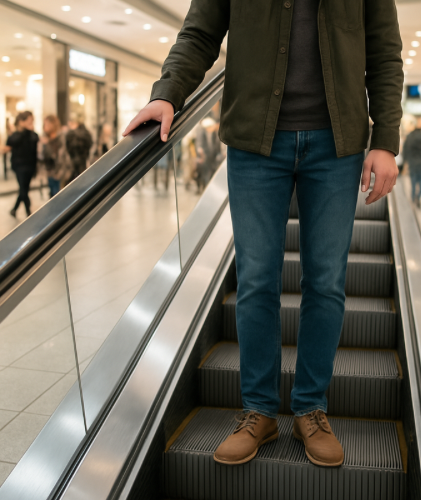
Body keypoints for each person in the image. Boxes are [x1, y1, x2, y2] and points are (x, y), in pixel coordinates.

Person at [124, 0, 403, 468]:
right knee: (255, 279)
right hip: (256, 141)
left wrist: (387, 139)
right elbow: (199, 33)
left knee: (327, 281)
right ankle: (259, 411)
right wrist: (168, 92)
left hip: (337, 144)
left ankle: (311, 408)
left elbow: (384, 51)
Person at [1, 111, 39, 217]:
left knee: (24, 189)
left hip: (30, 166)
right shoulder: (15, 135)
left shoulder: (32, 134)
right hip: (19, 166)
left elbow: (36, 141)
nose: (31, 121)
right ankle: (28, 212)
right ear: (21, 121)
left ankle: (14, 209)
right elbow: (10, 145)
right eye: (28, 119)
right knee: (23, 189)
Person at [41, 115, 67, 197]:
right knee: (52, 193)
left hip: (58, 171)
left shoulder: (60, 137)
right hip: (49, 170)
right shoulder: (45, 137)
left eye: (47, 124)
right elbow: (43, 156)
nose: (45, 127)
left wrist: (47, 144)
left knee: (57, 194)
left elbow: (60, 156)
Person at [66, 117, 93, 182]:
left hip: (75, 159)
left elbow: (69, 146)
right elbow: (90, 143)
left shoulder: (71, 134)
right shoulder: (86, 132)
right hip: (83, 158)